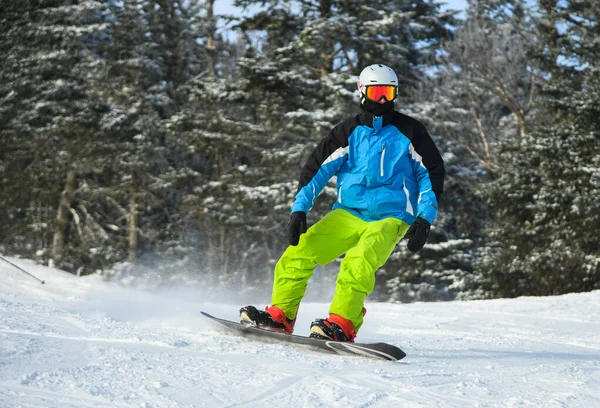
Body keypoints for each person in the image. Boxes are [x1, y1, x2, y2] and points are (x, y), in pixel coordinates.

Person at [240, 64, 445, 342]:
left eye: (389, 92)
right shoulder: (348, 132)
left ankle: (342, 324)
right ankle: (280, 316)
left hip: (392, 216)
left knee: (358, 262)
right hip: (348, 213)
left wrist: (424, 217)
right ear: (363, 92)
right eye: (377, 92)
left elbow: (431, 172)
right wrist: (300, 209)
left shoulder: (410, 131)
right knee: (300, 252)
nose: (383, 100)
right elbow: (317, 168)